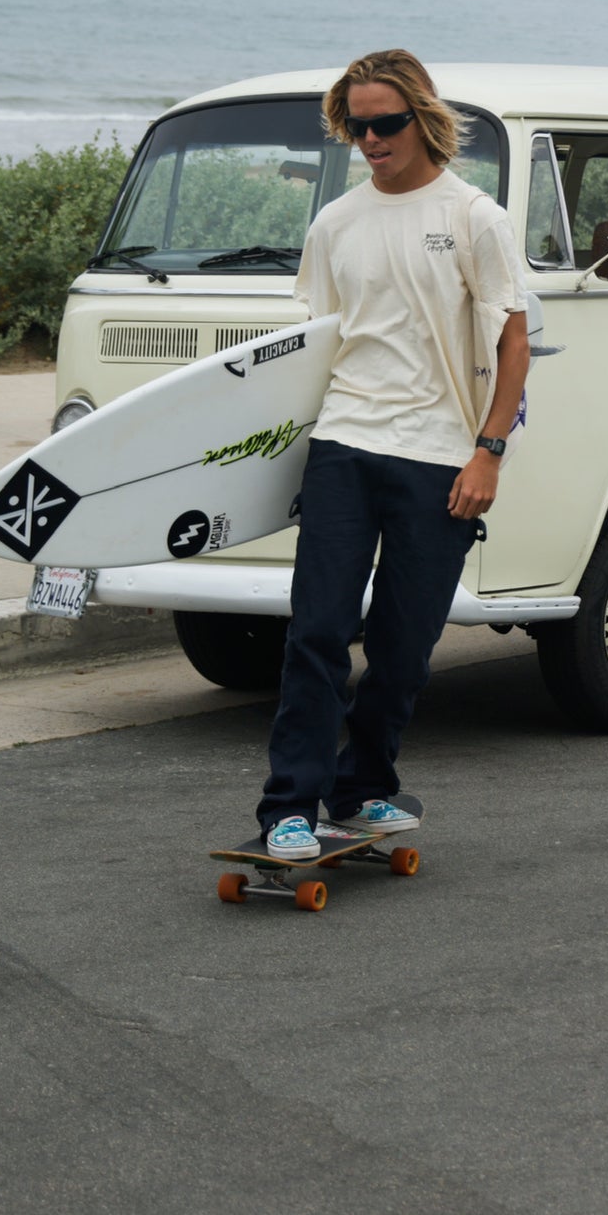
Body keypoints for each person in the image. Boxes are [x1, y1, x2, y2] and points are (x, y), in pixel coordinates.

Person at [257, 49, 530, 860]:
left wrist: (488, 453)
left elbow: (513, 341)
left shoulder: (475, 216)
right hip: (345, 443)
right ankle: (289, 807)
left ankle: (364, 785)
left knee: (405, 645)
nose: (370, 140)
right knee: (317, 631)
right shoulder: (335, 223)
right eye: (356, 126)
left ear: (422, 117)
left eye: (384, 123)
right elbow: (317, 344)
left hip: (440, 456)